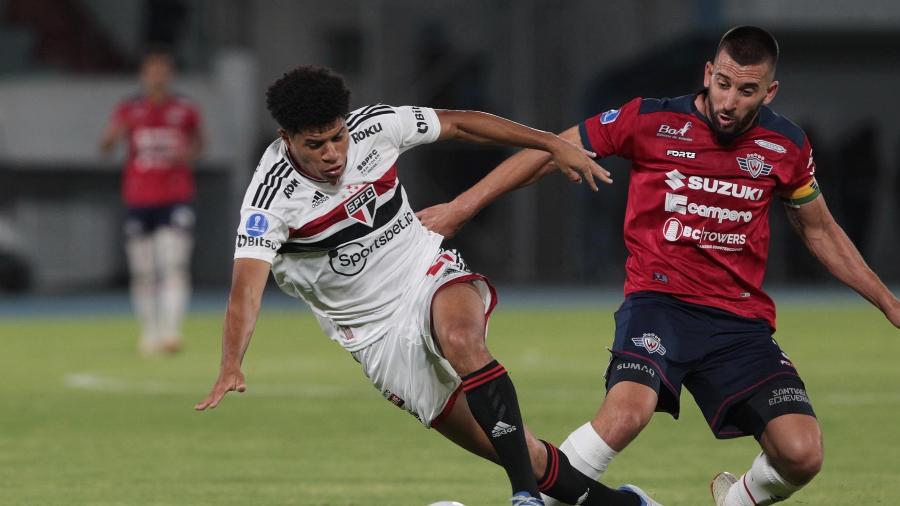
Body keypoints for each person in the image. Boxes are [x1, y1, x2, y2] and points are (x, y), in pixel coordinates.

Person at [416, 26, 900, 506]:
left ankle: (736, 499)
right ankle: (538, 504)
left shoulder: (787, 146)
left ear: (768, 92)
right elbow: (553, 149)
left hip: (739, 324)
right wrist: (462, 207)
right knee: (628, 413)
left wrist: (887, 301)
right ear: (709, 73)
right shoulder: (650, 120)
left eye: (747, 90)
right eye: (724, 83)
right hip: (659, 304)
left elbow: (819, 231)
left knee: (802, 454)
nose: (730, 100)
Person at [193, 65, 659, 506]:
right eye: (316, 145)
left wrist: (548, 143)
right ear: (286, 139)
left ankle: (523, 498)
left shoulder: (376, 126)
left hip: (425, 269)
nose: (334, 153)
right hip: (373, 335)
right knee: (521, 450)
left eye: (338, 137)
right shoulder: (270, 198)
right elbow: (246, 290)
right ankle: (622, 503)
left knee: (461, 338)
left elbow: (461, 124)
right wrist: (231, 363)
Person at [99, 49, 204, 356]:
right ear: (143, 76)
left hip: (175, 196)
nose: (157, 78)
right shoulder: (129, 109)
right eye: (152, 72)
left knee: (173, 263)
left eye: (163, 71)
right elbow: (106, 146)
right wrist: (112, 136)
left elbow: (200, 144)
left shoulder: (185, 109)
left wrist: (189, 154)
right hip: (139, 197)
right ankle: (149, 332)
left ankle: (172, 331)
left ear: (170, 75)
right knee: (143, 269)